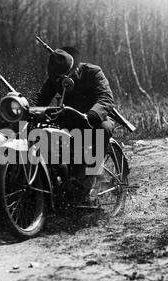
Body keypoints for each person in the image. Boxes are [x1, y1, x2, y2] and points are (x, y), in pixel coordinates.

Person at [33, 47, 117, 194]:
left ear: (75, 68)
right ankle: (56, 180)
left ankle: (88, 180)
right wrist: (23, 108)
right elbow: (41, 98)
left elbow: (106, 99)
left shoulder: (93, 72)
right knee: (45, 134)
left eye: (65, 77)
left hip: (94, 119)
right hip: (70, 118)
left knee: (103, 130)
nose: (62, 82)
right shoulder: (56, 78)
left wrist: (92, 115)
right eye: (58, 79)